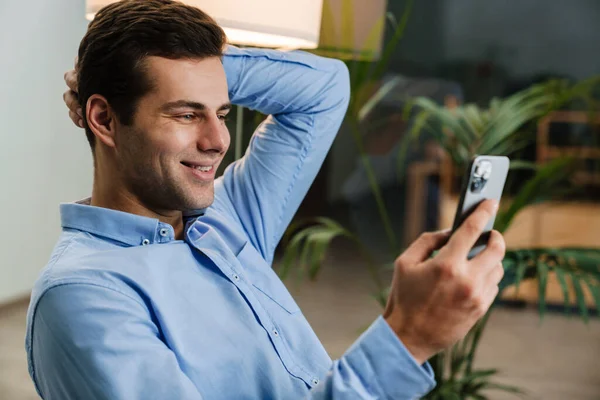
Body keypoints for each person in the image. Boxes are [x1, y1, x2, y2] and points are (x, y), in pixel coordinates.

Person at [26, 1, 506, 399]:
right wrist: (407, 339)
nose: (218, 140)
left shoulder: (226, 215)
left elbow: (322, 88)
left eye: (221, 111)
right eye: (187, 114)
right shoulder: (84, 295)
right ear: (105, 120)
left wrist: (194, 73)